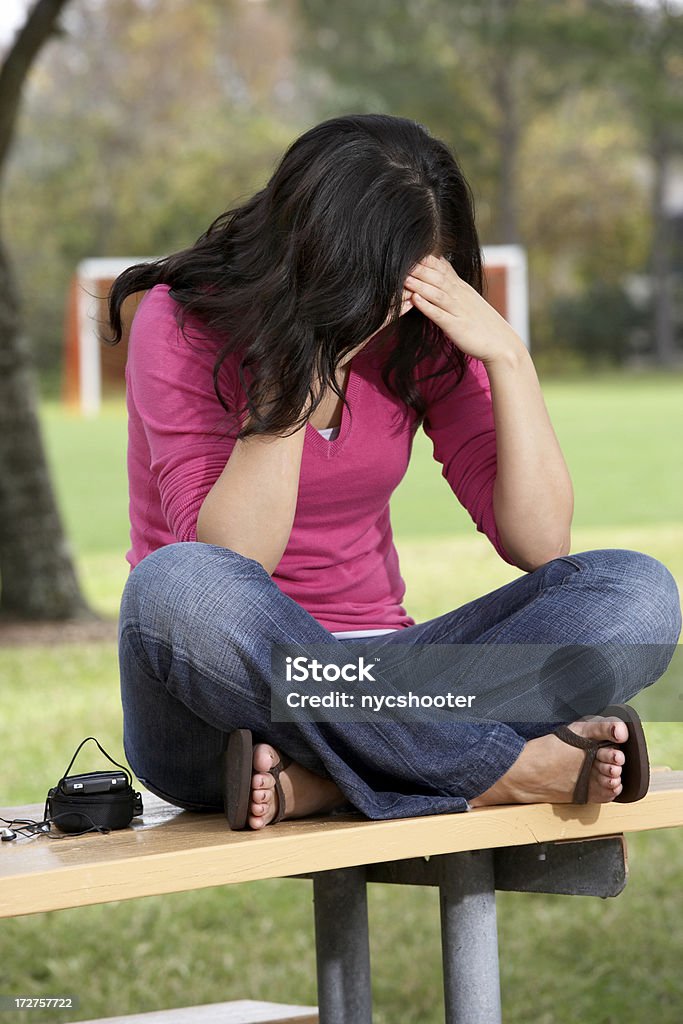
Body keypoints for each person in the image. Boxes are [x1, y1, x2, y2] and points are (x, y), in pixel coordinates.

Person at [109, 113, 681, 831]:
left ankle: (328, 780)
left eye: (409, 285)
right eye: (372, 284)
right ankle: (495, 771)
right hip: (223, 706)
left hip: (392, 675)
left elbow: (539, 544)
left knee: (637, 594)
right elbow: (232, 560)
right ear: (312, 256)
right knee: (178, 583)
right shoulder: (180, 321)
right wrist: (303, 367)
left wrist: (506, 355)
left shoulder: (416, 340)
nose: (385, 310)